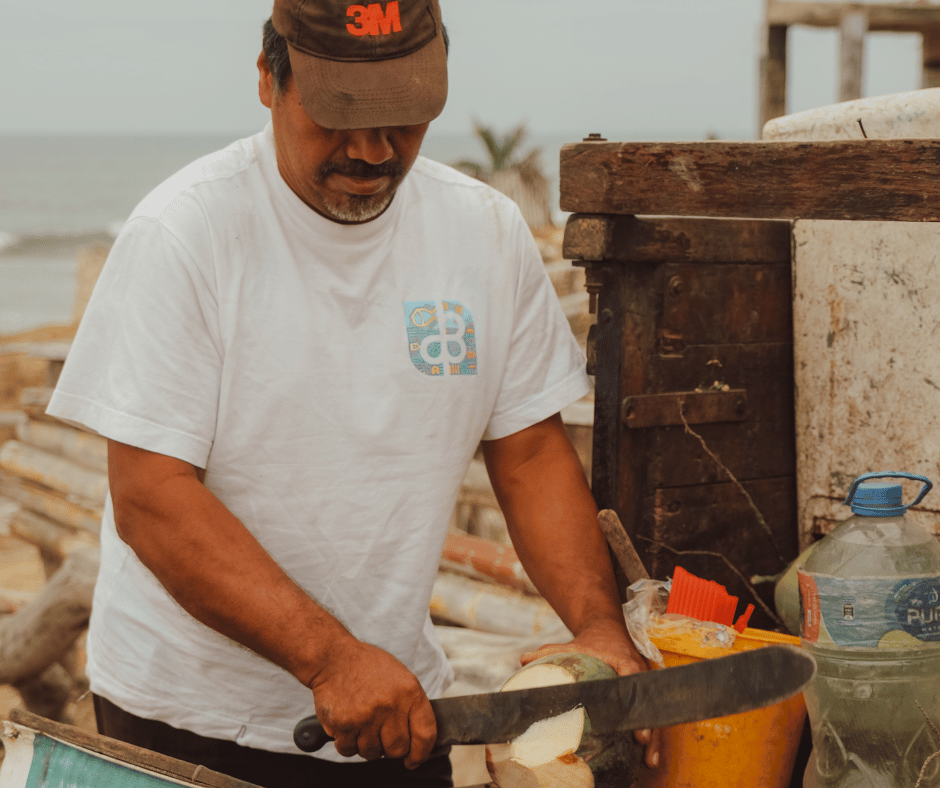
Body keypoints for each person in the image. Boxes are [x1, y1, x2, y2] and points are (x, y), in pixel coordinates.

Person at [47, 1, 659, 786]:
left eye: (401, 117)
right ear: (270, 79)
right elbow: (151, 497)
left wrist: (600, 628)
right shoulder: (185, 233)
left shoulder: (485, 232)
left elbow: (531, 452)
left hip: (397, 712)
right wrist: (329, 658)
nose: (372, 150)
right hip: (186, 720)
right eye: (341, 115)